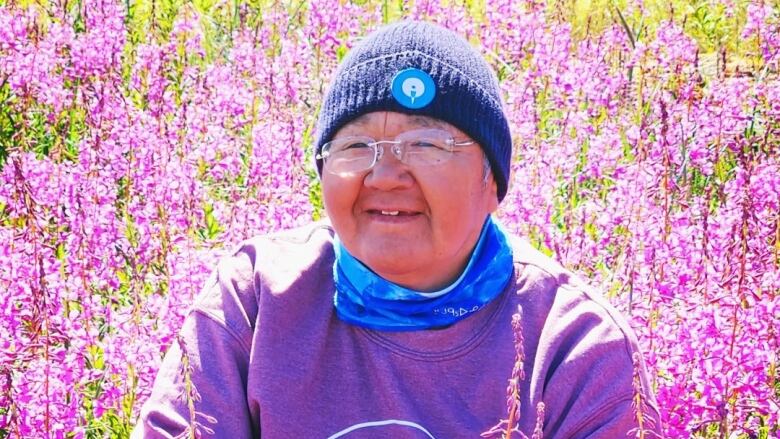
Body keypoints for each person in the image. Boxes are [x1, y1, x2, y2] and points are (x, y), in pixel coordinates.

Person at [133, 20, 662, 438]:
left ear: (492, 182)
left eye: (427, 145)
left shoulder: (574, 344)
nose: (385, 176)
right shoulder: (254, 299)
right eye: (356, 146)